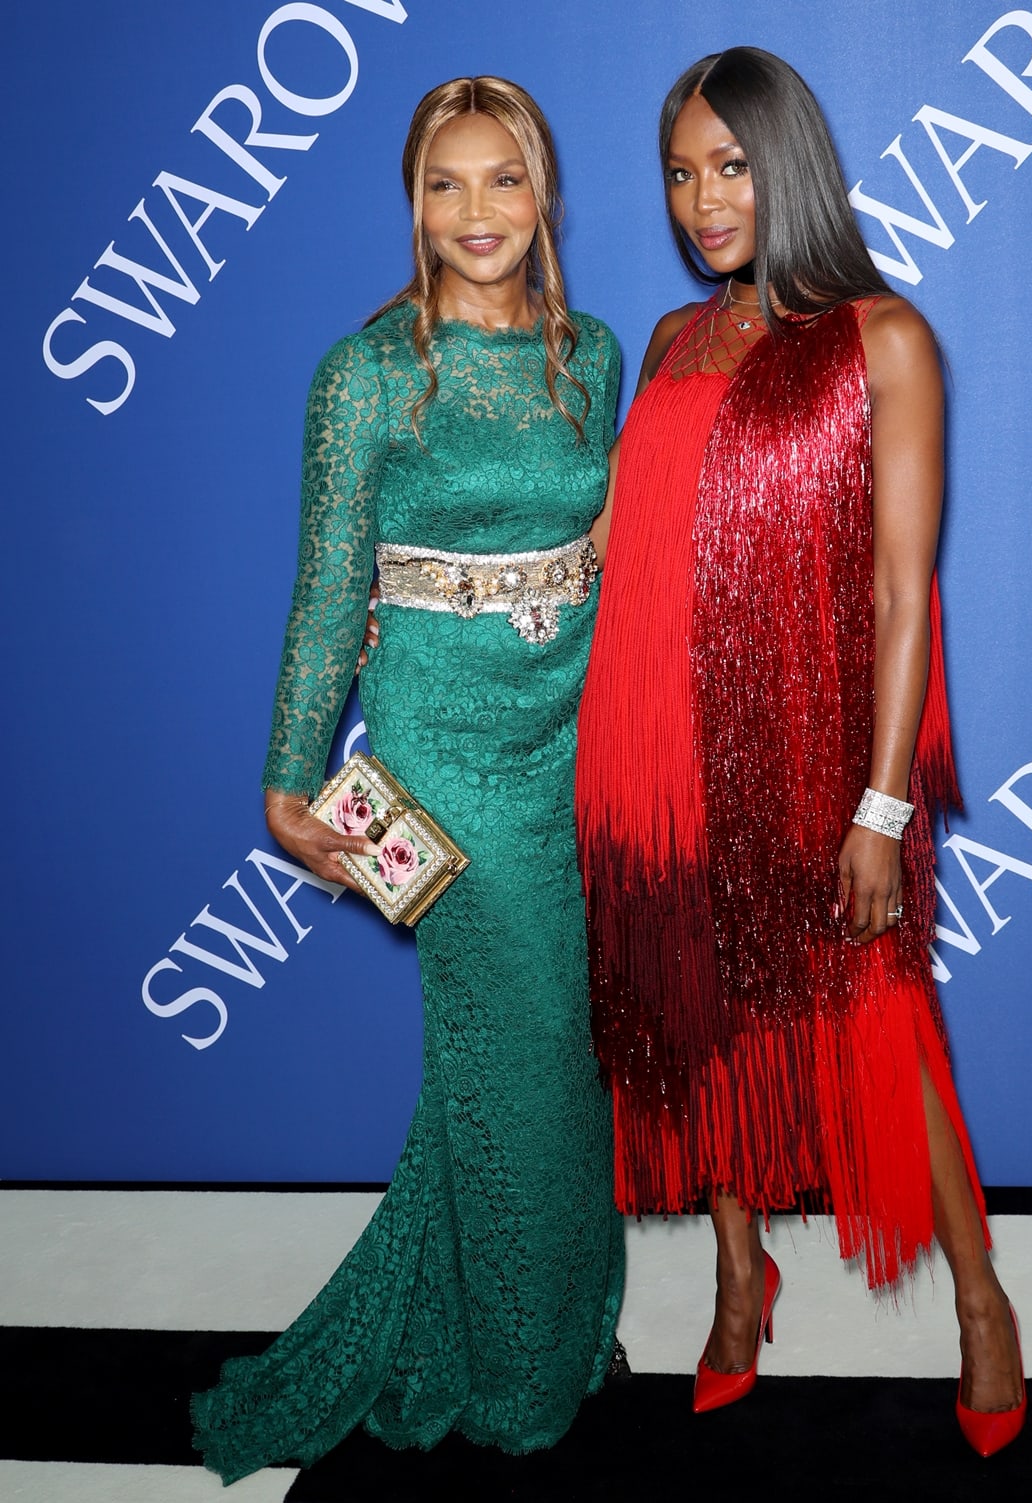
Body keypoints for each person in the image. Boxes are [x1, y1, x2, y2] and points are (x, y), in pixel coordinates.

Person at [574, 47, 1025, 1456]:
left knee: (886, 1032)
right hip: (653, 765)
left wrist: (882, 807)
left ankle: (983, 1308)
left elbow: (903, 593)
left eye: (732, 164)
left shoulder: (883, 339)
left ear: (794, 165)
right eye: (680, 171)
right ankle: (731, 1279)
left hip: (820, 767)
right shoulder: (663, 345)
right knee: (693, 1029)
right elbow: (617, 554)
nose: (704, 198)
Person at [191, 76, 625, 1484]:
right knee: (518, 1057)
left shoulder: (593, 358)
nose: (477, 212)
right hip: (439, 756)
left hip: (568, 741)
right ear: (411, 201)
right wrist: (286, 774)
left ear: (544, 192)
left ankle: (549, 1320)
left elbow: (622, 556)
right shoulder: (368, 370)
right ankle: (513, 1372)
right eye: (446, 184)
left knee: (533, 1063)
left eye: (504, 180)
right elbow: (328, 585)